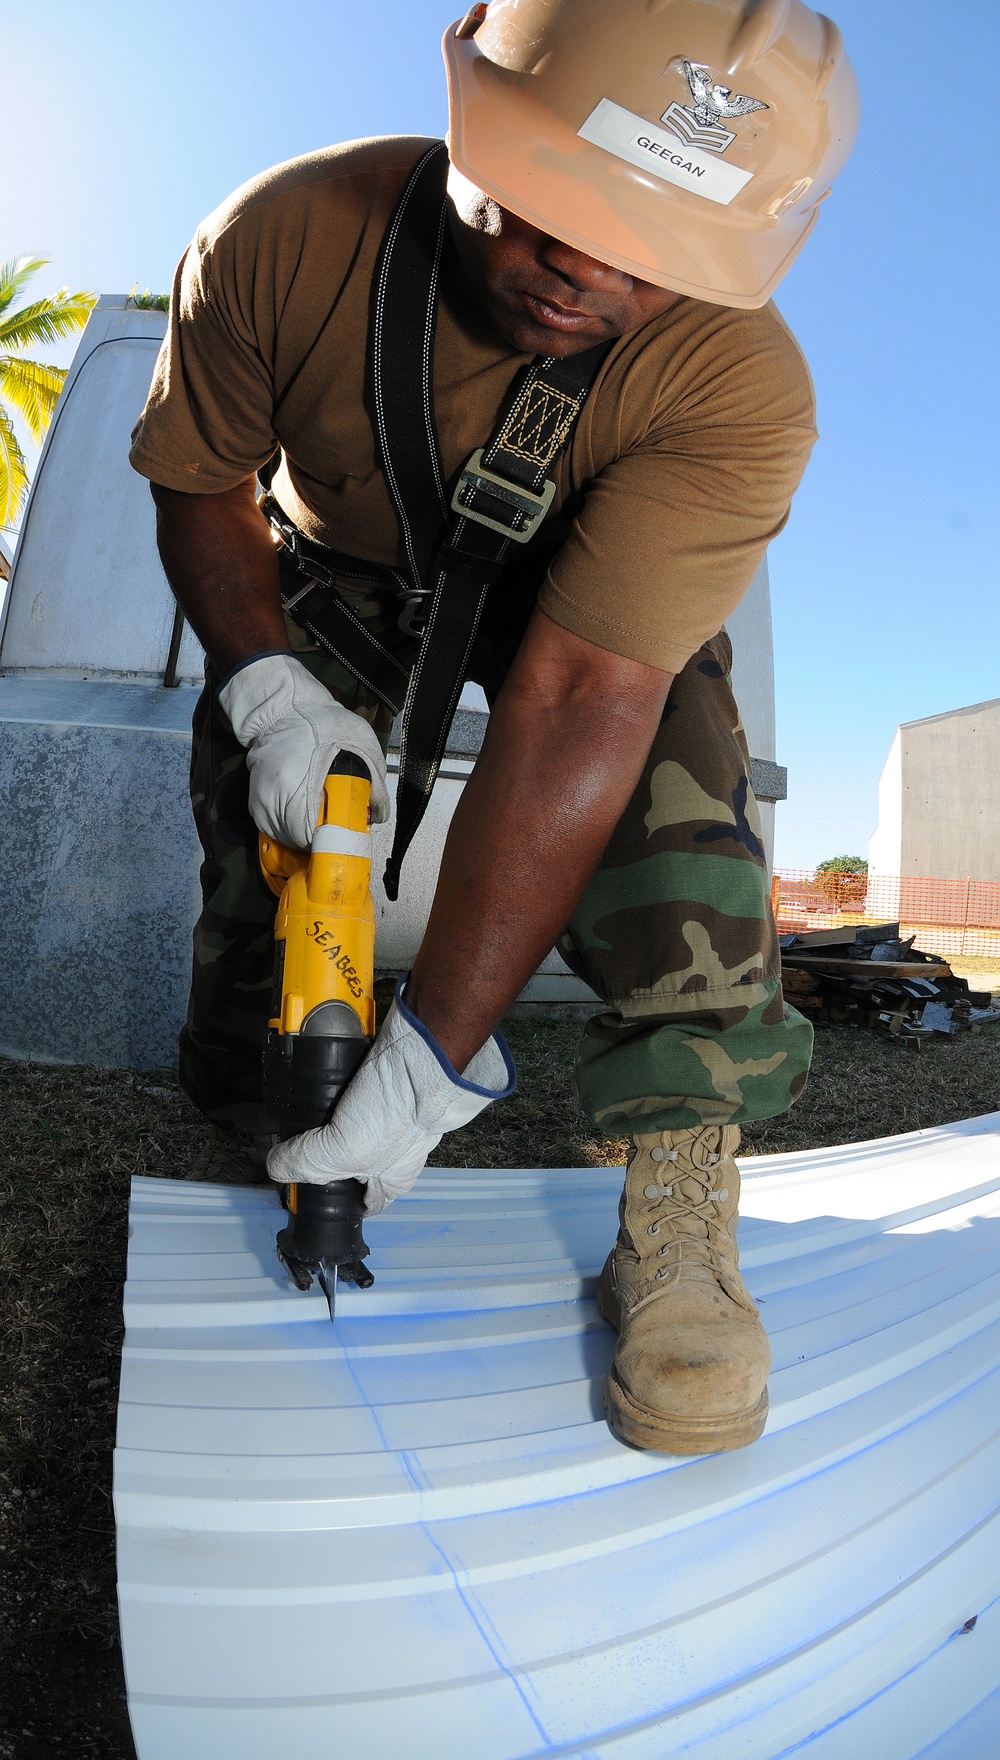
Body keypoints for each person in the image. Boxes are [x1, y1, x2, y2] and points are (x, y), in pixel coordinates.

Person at [129, 0, 858, 1455]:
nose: (582, 272)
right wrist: (267, 690)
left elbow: (587, 690)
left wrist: (435, 1058)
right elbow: (199, 480)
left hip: (577, 605)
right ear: (474, 113)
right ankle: (248, 1092)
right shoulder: (279, 236)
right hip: (334, 573)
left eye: (648, 251)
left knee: (679, 795)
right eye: (551, 210)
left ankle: (678, 1190)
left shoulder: (739, 392)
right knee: (263, 847)